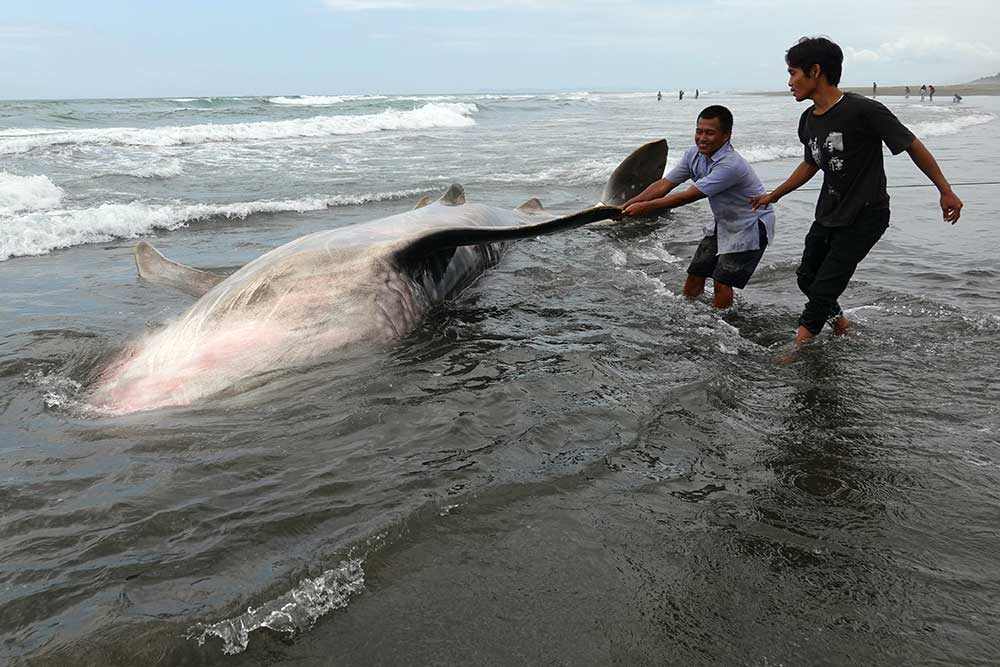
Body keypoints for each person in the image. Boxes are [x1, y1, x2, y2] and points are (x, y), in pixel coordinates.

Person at [750, 37, 963, 345]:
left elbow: (912, 145)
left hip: (866, 215)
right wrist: (776, 194)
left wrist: (945, 191)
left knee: (824, 287)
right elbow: (811, 163)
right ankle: (841, 324)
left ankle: (798, 347)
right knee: (808, 277)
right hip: (829, 212)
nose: (789, 82)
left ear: (815, 71)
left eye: (793, 73)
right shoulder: (808, 120)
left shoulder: (864, 110)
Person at [621, 105, 776, 309]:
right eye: (699, 131)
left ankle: (719, 325)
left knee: (722, 282)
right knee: (696, 274)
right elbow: (664, 185)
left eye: (710, 133)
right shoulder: (693, 155)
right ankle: (688, 314)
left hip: (750, 225)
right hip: (723, 222)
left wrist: (646, 207)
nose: (702, 138)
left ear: (726, 136)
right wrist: (626, 205)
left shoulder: (730, 165)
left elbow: (687, 197)